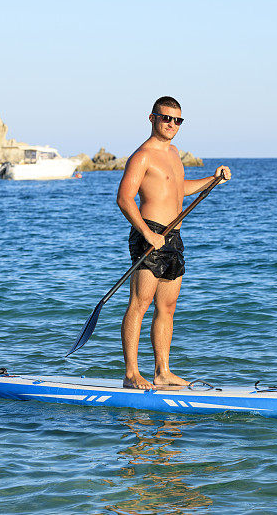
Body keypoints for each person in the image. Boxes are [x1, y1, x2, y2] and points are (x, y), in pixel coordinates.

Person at [116, 96, 231, 389]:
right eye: (166, 118)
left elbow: (180, 190)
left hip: (174, 238)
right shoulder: (142, 156)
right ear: (152, 118)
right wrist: (147, 233)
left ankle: (162, 371)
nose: (171, 124)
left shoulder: (174, 153)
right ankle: (131, 373)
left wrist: (212, 179)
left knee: (167, 307)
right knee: (140, 304)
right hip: (150, 234)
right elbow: (124, 198)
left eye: (177, 120)